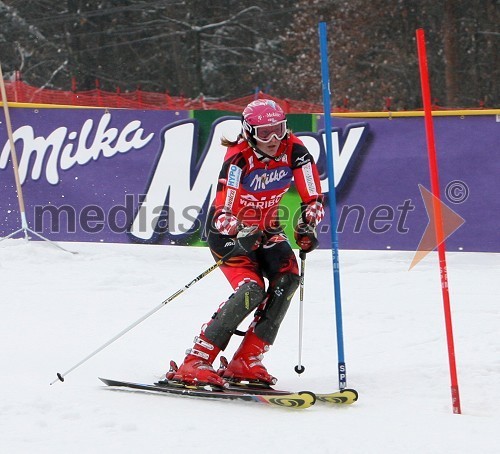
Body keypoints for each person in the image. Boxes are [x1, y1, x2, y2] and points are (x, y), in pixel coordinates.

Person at [166, 99, 324, 388]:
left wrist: (307, 225)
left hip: (267, 231)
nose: (274, 139)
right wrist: (240, 230)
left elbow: (313, 198)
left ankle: (247, 359)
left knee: (288, 279)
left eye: (278, 129)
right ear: (250, 133)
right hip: (229, 235)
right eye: (265, 133)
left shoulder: (296, 150)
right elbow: (222, 211)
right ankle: (195, 361)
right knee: (251, 290)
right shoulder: (238, 159)